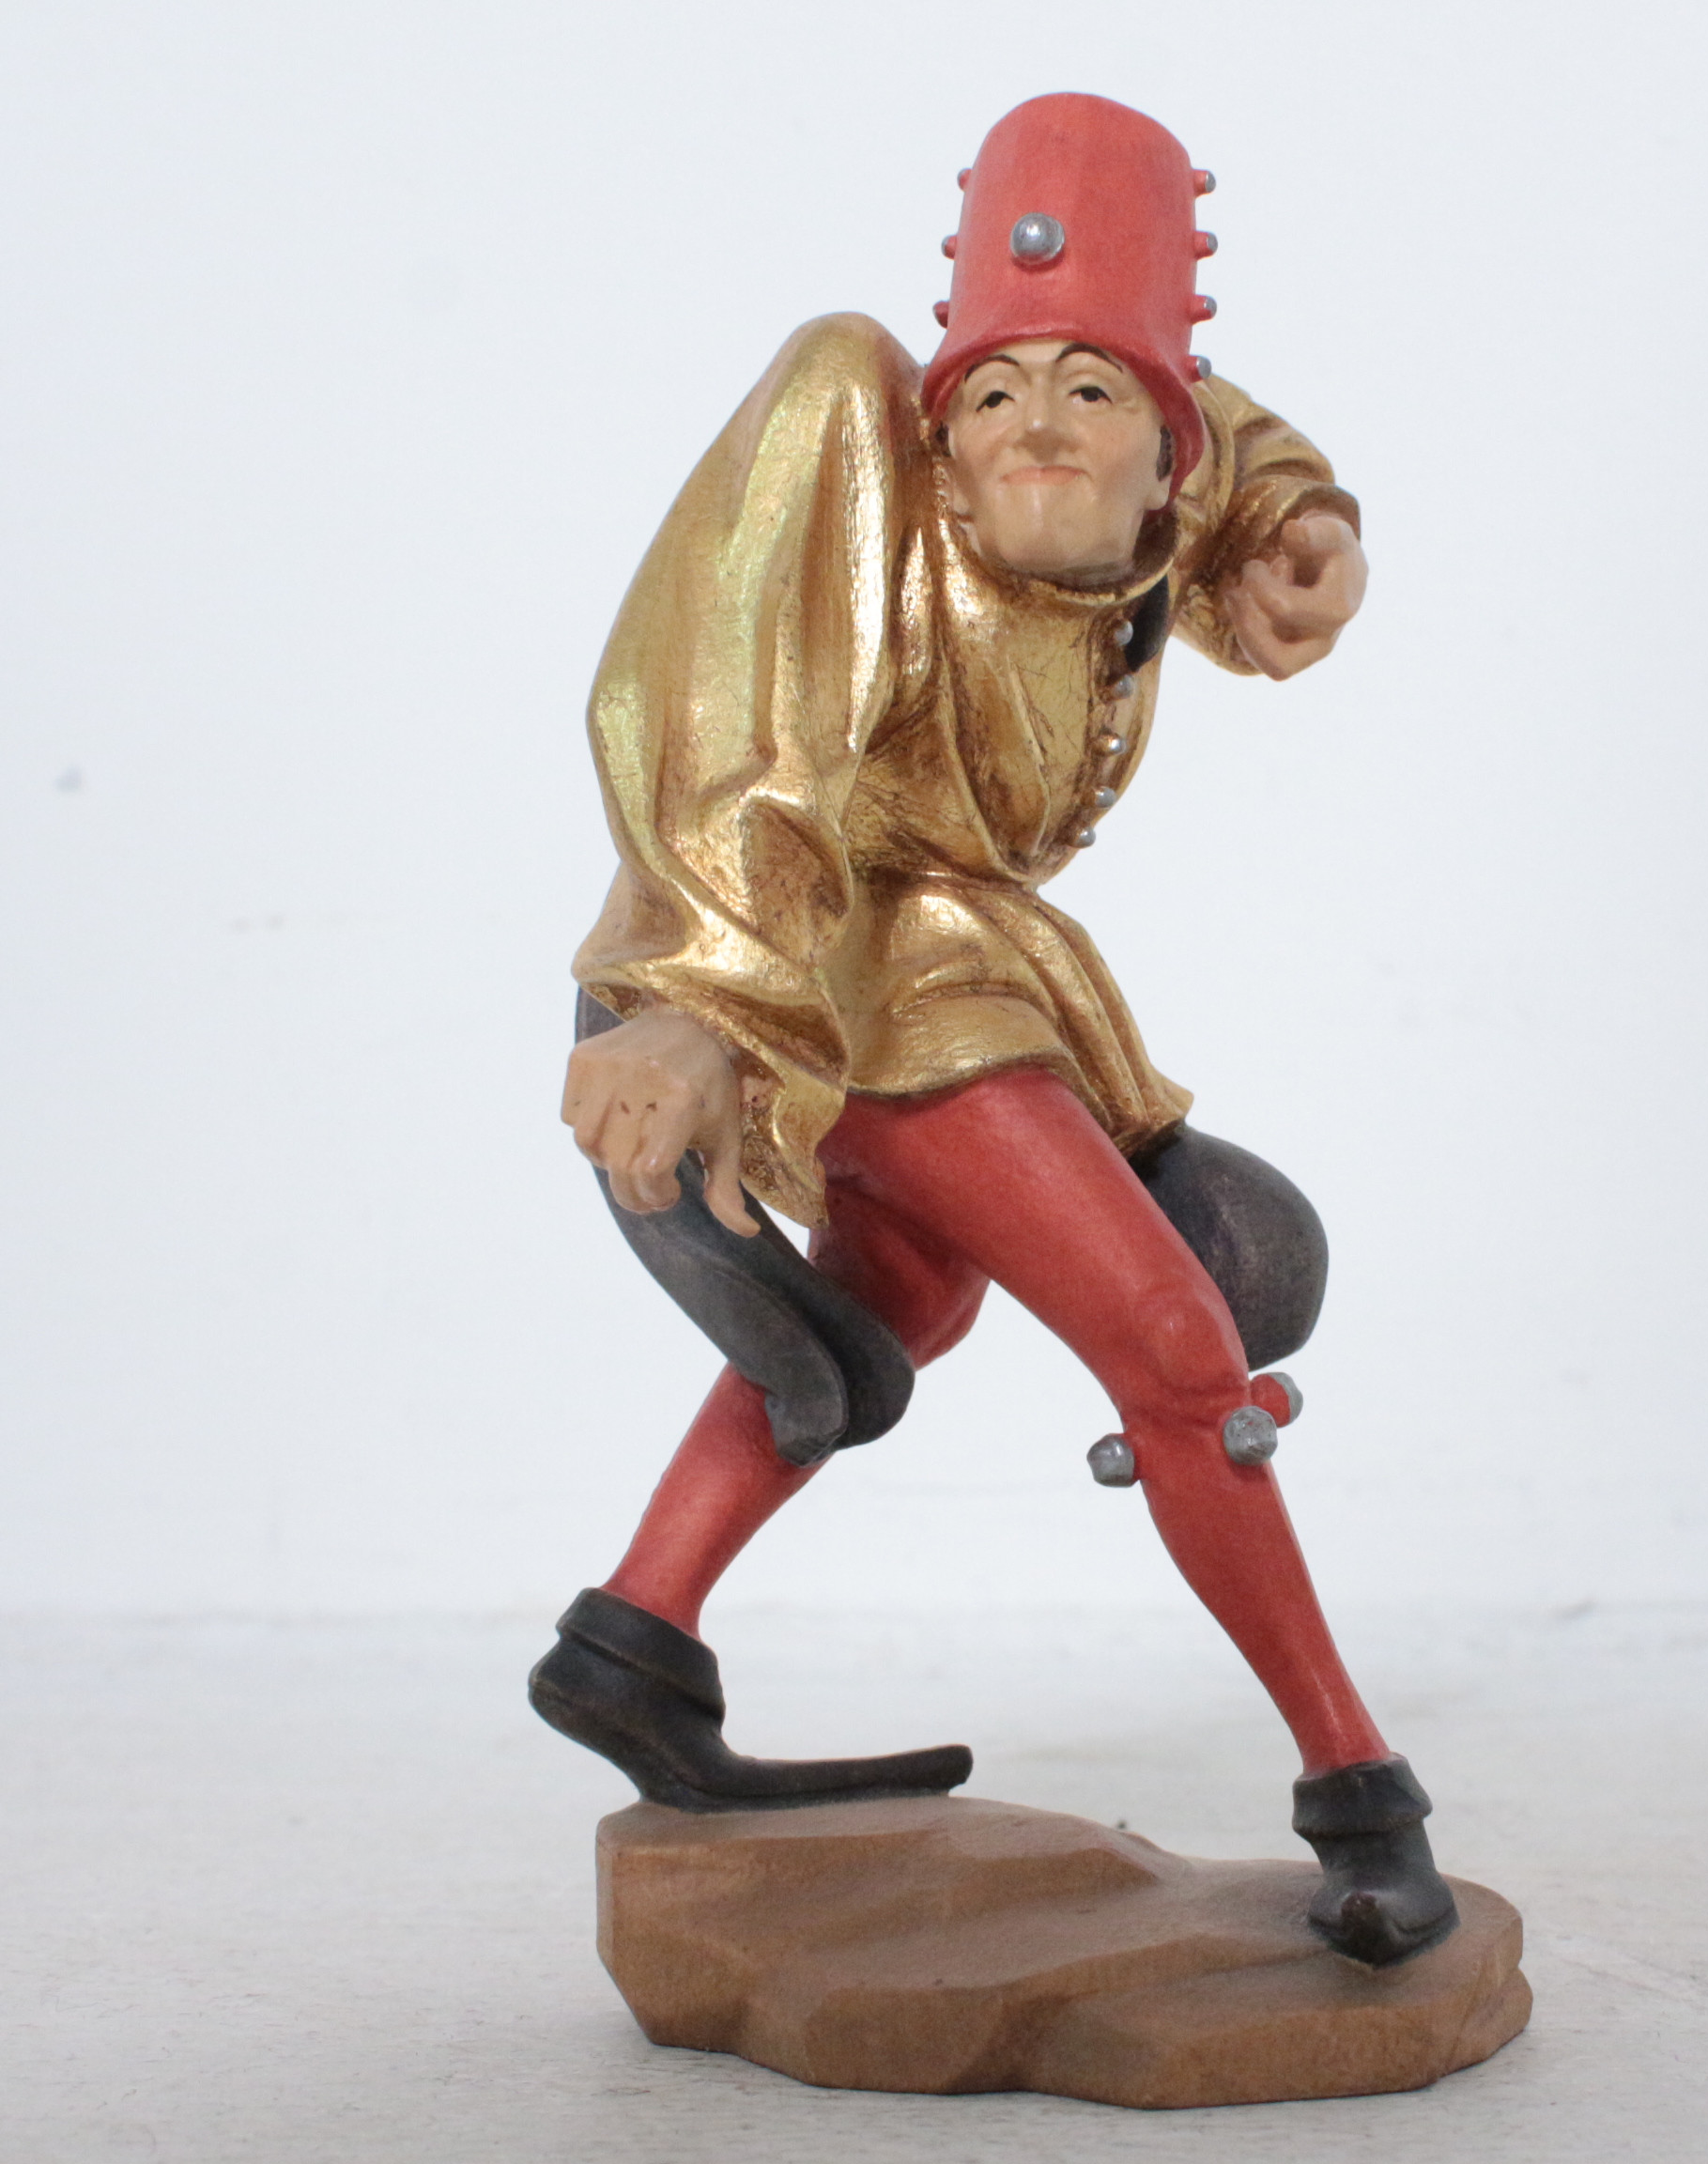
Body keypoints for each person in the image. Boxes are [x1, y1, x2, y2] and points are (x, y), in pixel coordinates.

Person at [529, 93, 1454, 1966]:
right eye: (995, 393)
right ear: (936, 446)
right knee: (1179, 1355)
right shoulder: (855, 434)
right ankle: (1359, 1792)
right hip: (871, 973)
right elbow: (728, 694)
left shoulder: (1150, 523)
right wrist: (697, 998)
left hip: (983, 968)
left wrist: (1305, 522)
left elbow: (1231, 438)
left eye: (1092, 393)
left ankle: (635, 1637)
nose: (1035, 422)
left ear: (1165, 463)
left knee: (894, 1309)